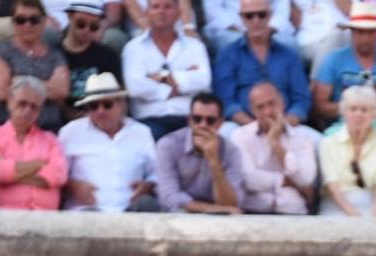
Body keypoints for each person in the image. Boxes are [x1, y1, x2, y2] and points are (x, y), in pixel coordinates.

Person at [59, 71, 158, 210]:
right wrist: (72, 185)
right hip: (85, 215)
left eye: (107, 104)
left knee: (148, 205)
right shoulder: (70, 132)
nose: (101, 111)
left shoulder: (141, 132)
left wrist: (149, 185)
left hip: (131, 213)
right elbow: (56, 174)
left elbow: (157, 173)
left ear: (122, 105)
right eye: (94, 106)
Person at [312, 1, 376, 129]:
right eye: (360, 32)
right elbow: (319, 107)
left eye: (370, 32)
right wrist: (354, 106)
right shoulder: (333, 60)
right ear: (352, 32)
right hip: (344, 129)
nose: (365, 39)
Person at [122, 0, 212, 141]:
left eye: (167, 6)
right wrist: (177, 84)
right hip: (150, 122)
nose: (161, 11)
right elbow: (136, 87)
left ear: (178, 13)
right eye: (155, 7)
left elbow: (203, 80)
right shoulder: (133, 48)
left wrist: (161, 78)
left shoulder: (195, 46)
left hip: (189, 119)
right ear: (147, 13)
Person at [213, 0, 311, 128]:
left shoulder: (289, 55)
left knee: (317, 141)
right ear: (241, 18)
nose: (256, 20)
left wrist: (285, 125)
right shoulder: (228, 54)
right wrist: (254, 126)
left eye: (261, 14)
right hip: (242, 126)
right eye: (249, 16)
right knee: (226, 133)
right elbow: (226, 101)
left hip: (286, 125)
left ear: (270, 16)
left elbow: (302, 99)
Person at [232, 80, 316, 213]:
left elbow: (306, 179)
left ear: (282, 103)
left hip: (293, 214)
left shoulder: (302, 138)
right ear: (252, 110)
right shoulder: (240, 136)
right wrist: (286, 181)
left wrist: (276, 145)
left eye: (272, 104)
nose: (268, 112)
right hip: (254, 212)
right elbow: (249, 179)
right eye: (260, 107)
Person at [156, 90, 244, 212]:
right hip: (179, 216)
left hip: (217, 221)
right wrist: (211, 209)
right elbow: (169, 197)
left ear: (220, 123)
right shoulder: (168, 145)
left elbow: (230, 203)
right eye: (197, 119)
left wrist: (214, 161)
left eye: (210, 120)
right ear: (189, 120)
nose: (203, 125)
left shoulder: (231, 151)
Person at [318, 81, 376, 213]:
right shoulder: (328, 144)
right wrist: (355, 217)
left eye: (364, 110)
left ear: (374, 114)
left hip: (371, 204)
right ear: (344, 112)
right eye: (353, 109)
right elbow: (332, 186)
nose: (358, 114)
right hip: (336, 205)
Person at [0, 0, 69, 132]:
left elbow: (62, 90)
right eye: (21, 20)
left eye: (34, 20)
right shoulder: (1, 50)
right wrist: (45, 86)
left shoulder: (55, 54)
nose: (27, 25)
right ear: (13, 23)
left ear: (43, 22)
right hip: (9, 128)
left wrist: (18, 82)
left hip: (48, 127)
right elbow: (2, 91)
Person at [0, 74, 66, 208]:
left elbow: (58, 175)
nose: (27, 110)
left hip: (45, 219)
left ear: (40, 111)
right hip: (5, 219)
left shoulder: (50, 140)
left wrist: (9, 177)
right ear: (10, 102)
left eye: (34, 107)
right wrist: (40, 164)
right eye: (22, 103)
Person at [59, 0, 123, 119]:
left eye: (94, 27)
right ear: (69, 16)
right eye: (81, 24)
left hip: (100, 117)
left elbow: (117, 96)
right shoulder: (54, 53)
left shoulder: (108, 55)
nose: (86, 30)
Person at [202, 0, 296, 52]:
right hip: (231, 29)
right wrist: (238, 30)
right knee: (231, 44)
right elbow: (212, 9)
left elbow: (281, 10)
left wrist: (266, 31)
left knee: (289, 44)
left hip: (269, 28)